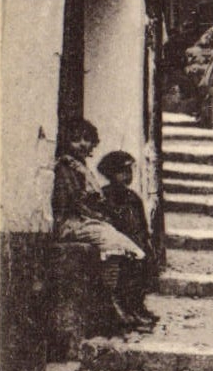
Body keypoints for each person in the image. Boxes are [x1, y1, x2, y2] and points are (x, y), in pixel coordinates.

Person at [51, 118, 148, 335]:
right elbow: (69, 204)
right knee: (122, 247)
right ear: (66, 141)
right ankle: (113, 307)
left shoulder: (81, 168)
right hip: (72, 223)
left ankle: (121, 305)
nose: (83, 145)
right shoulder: (64, 169)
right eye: (76, 140)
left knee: (126, 248)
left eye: (87, 140)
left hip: (87, 221)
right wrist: (95, 212)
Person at [96, 151, 158, 329]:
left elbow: (142, 225)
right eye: (121, 172)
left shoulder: (133, 198)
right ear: (110, 174)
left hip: (137, 243)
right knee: (126, 273)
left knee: (145, 269)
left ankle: (138, 306)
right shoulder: (104, 197)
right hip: (120, 245)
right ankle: (126, 309)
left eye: (129, 172)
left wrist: (147, 243)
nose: (126, 177)